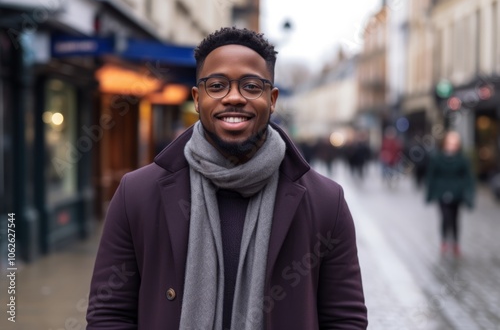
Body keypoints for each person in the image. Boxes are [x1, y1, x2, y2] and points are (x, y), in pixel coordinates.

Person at [86, 27, 367, 329]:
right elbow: (108, 314)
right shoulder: (137, 194)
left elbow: (344, 320)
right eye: (217, 86)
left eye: (251, 86)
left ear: (272, 99)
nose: (234, 98)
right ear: (197, 98)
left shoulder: (325, 201)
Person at [425, 131, 475, 257]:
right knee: (445, 217)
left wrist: (468, 195)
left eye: (454, 143)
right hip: (441, 193)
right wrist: (430, 193)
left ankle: (455, 242)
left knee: (455, 219)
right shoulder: (437, 158)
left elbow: (468, 177)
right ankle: (444, 241)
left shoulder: (462, 159)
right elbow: (431, 176)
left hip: (457, 193)